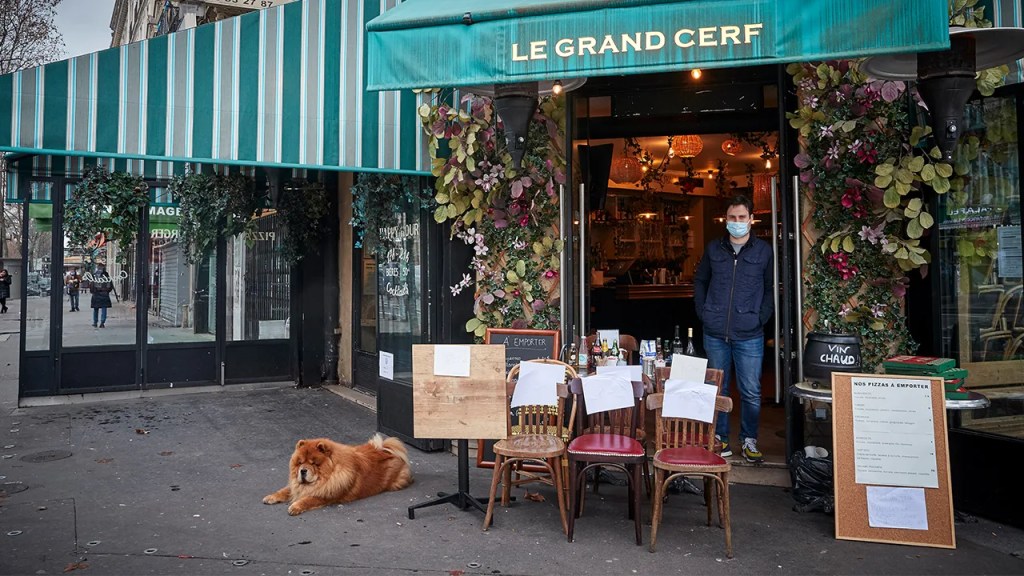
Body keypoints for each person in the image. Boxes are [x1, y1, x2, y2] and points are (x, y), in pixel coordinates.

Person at [693, 195, 774, 463]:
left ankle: (749, 440)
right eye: (732, 218)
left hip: (750, 331)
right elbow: (701, 281)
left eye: (742, 217)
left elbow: (771, 288)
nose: (737, 222)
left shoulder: (764, 251)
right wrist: (704, 312)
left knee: (751, 390)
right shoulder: (714, 249)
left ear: (751, 219)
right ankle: (721, 438)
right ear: (725, 220)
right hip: (715, 330)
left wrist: (760, 317)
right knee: (718, 388)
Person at [90, 264, 117, 328]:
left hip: (96, 294)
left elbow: (91, 285)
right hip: (104, 294)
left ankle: (95, 322)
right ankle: (102, 322)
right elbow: (110, 285)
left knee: (96, 309)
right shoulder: (106, 275)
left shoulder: (94, 275)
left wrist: (93, 291)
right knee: (103, 309)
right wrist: (107, 291)